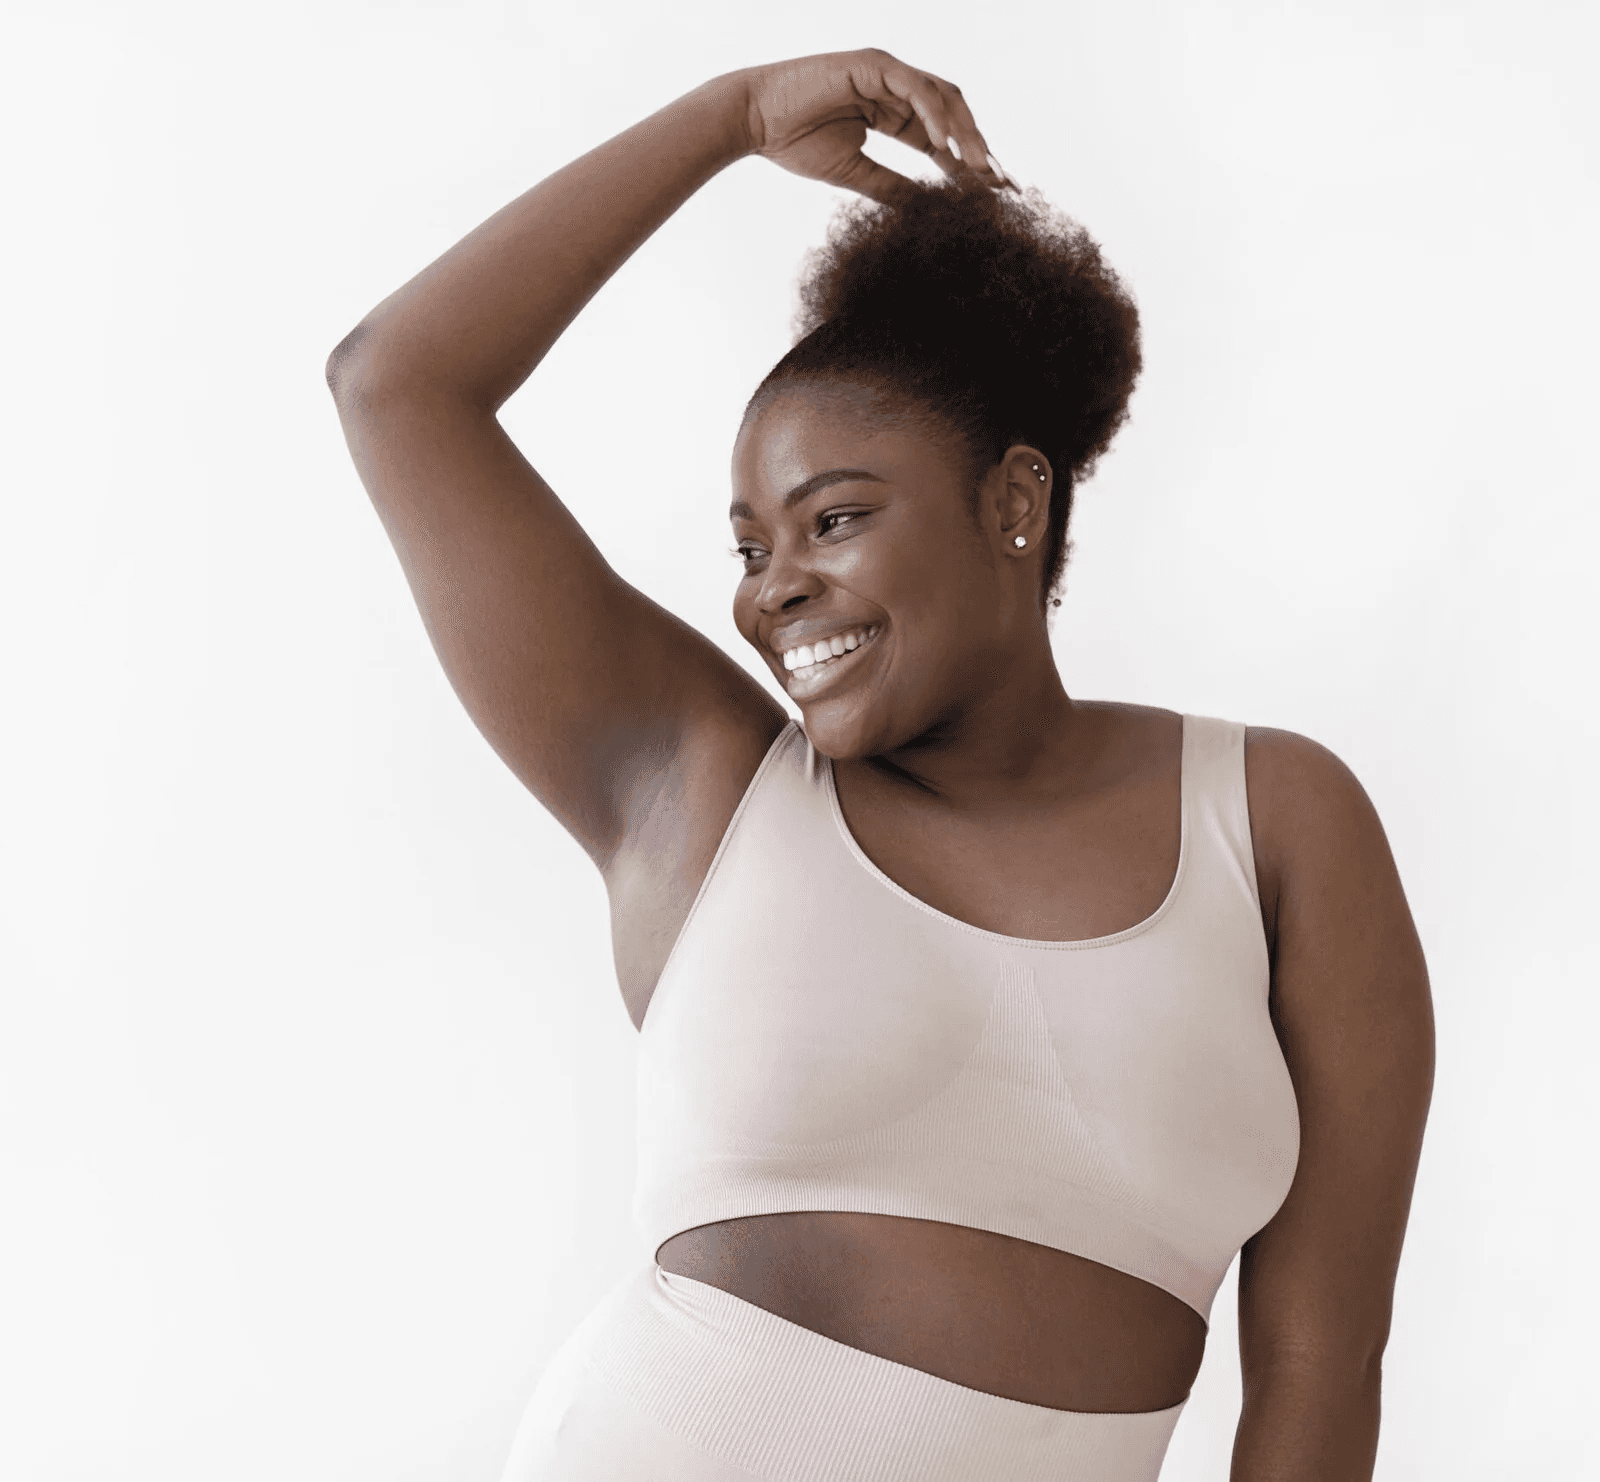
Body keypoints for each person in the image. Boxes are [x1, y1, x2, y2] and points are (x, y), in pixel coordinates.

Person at [326, 48, 1435, 1482]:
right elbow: (396, 385)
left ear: (1016, 501)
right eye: (750, 546)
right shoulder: (706, 787)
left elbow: (1320, 1368)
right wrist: (727, 118)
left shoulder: (1276, 825)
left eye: (832, 518)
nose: (769, 588)